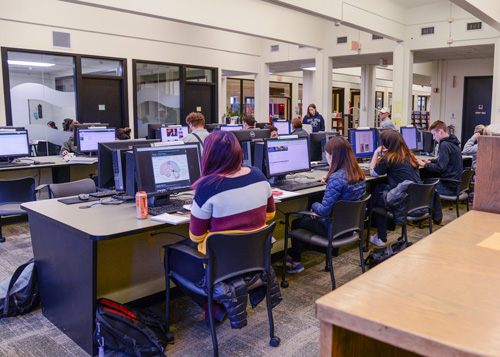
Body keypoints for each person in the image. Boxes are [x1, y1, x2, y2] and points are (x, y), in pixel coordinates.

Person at [168, 130, 276, 317]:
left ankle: (212, 308)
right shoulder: (259, 176)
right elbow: (270, 214)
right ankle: (219, 305)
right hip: (253, 261)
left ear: (208, 155)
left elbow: (197, 236)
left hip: (220, 268)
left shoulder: (207, 187)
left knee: (171, 257)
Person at [287, 136, 366, 273]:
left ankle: (296, 263)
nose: (326, 157)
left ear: (333, 156)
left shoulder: (336, 178)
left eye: (327, 154)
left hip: (332, 229)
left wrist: (314, 205)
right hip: (349, 228)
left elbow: (323, 211)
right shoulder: (359, 173)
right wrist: (330, 180)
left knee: (296, 222)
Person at [369, 130, 421, 246]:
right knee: (380, 187)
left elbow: (373, 173)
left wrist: (376, 153)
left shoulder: (390, 158)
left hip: (401, 201)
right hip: (412, 200)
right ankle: (381, 233)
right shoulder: (408, 155)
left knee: (376, 194)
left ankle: (381, 237)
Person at [417, 120, 462, 224]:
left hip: (448, 186)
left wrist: (424, 165)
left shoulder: (444, 145)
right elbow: (444, 160)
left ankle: (430, 218)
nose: (433, 138)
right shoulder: (453, 142)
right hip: (456, 183)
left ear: (440, 131)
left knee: (423, 185)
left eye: (434, 134)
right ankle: (434, 217)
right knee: (426, 178)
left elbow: (440, 168)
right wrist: (430, 161)